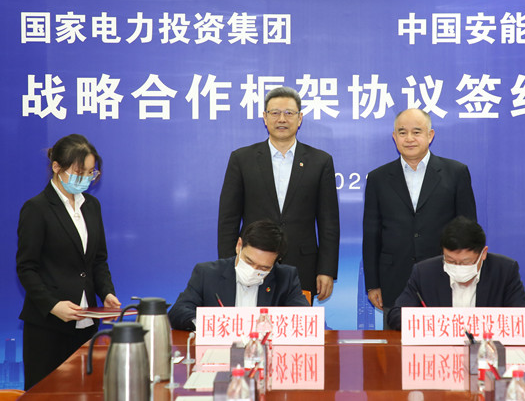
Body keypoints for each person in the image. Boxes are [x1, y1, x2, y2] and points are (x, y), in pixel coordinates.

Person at [16, 134, 120, 390]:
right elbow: (27, 268)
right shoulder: (37, 208)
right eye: (79, 172)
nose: (85, 178)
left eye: (90, 173)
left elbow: (98, 260)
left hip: (86, 324)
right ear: (56, 167)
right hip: (48, 328)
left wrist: (106, 293)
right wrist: (53, 305)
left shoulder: (91, 206)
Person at [218, 86, 339, 302]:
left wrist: (326, 270)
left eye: (289, 113)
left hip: (303, 266)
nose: (282, 119)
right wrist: (228, 266)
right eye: (275, 113)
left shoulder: (320, 161)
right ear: (265, 117)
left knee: (296, 323)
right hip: (251, 264)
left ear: (300, 118)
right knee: (252, 322)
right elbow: (228, 220)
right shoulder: (242, 159)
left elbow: (328, 222)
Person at [362, 108, 476, 328]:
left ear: (430, 135)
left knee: (445, 342)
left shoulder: (456, 172)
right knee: (395, 345)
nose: (409, 138)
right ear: (394, 137)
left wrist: (465, 275)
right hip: (394, 281)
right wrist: (373, 284)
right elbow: (372, 234)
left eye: (416, 132)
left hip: (445, 277)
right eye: (402, 132)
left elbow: (468, 231)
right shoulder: (378, 178)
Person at [388, 216, 525, 330]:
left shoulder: (504, 271)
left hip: (485, 353)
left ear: (483, 253)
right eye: (450, 260)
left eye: (465, 262)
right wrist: (438, 323)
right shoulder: (424, 272)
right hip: (440, 352)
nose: (458, 267)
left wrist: (475, 323)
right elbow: (396, 316)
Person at [171, 220, 310, 330]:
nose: (253, 270)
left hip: (264, 353)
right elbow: (178, 312)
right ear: (239, 245)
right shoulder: (207, 273)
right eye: (249, 261)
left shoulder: (286, 277)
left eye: (264, 267)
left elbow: (304, 318)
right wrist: (213, 325)